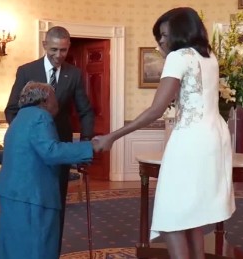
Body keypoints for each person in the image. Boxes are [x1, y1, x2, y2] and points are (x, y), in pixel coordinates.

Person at [94, 7, 235, 259]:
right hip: (214, 137)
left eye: (164, 34)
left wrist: (112, 136)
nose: (160, 40)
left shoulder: (179, 57)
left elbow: (156, 110)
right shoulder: (209, 57)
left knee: (170, 213)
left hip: (190, 140)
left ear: (181, 32)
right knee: (193, 212)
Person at [4, 26, 94, 253]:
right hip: (31, 153)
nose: (58, 55)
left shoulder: (73, 74)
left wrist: (85, 140)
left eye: (63, 50)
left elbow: (85, 111)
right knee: (28, 203)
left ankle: (51, 250)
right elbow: (11, 109)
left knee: (56, 202)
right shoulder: (26, 71)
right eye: (54, 49)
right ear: (45, 45)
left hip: (59, 148)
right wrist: (24, 138)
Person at [0, 81, 98, 259]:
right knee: (37, 246)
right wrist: (89, 148)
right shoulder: (40, 117)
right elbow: (51, 152)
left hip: (12, 192)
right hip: (32, 195)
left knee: (13, 245)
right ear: (45, 100)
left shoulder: (20, 117)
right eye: (54, 98)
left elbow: (37, 151)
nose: (57, 102)